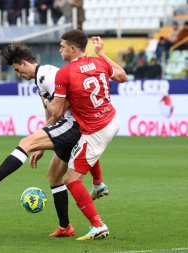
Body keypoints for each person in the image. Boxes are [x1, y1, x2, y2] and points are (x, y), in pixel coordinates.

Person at [0, 41, 111, 237]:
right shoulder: (40, 78)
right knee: (54, 176)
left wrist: (40, 139)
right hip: (69, 125)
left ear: (25, 63)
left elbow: (63, 106)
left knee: (25, 143)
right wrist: (43, 145)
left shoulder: (48, 75)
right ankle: (65, 227)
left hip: (74, 125)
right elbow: (49, 111)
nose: (19, 75)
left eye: (18, 70)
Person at [44, 30, 127, 240]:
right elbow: (122, 76)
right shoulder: (99, 62)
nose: (59, 49)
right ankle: (98, 183)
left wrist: (45, 99)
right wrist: (101, 53)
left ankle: (98, 225)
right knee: (77, 144)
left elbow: (58, 111)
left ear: (72, 49)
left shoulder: (65, 73)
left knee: (70, 179)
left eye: (62, 46)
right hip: (112, 118)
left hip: (96, 129)